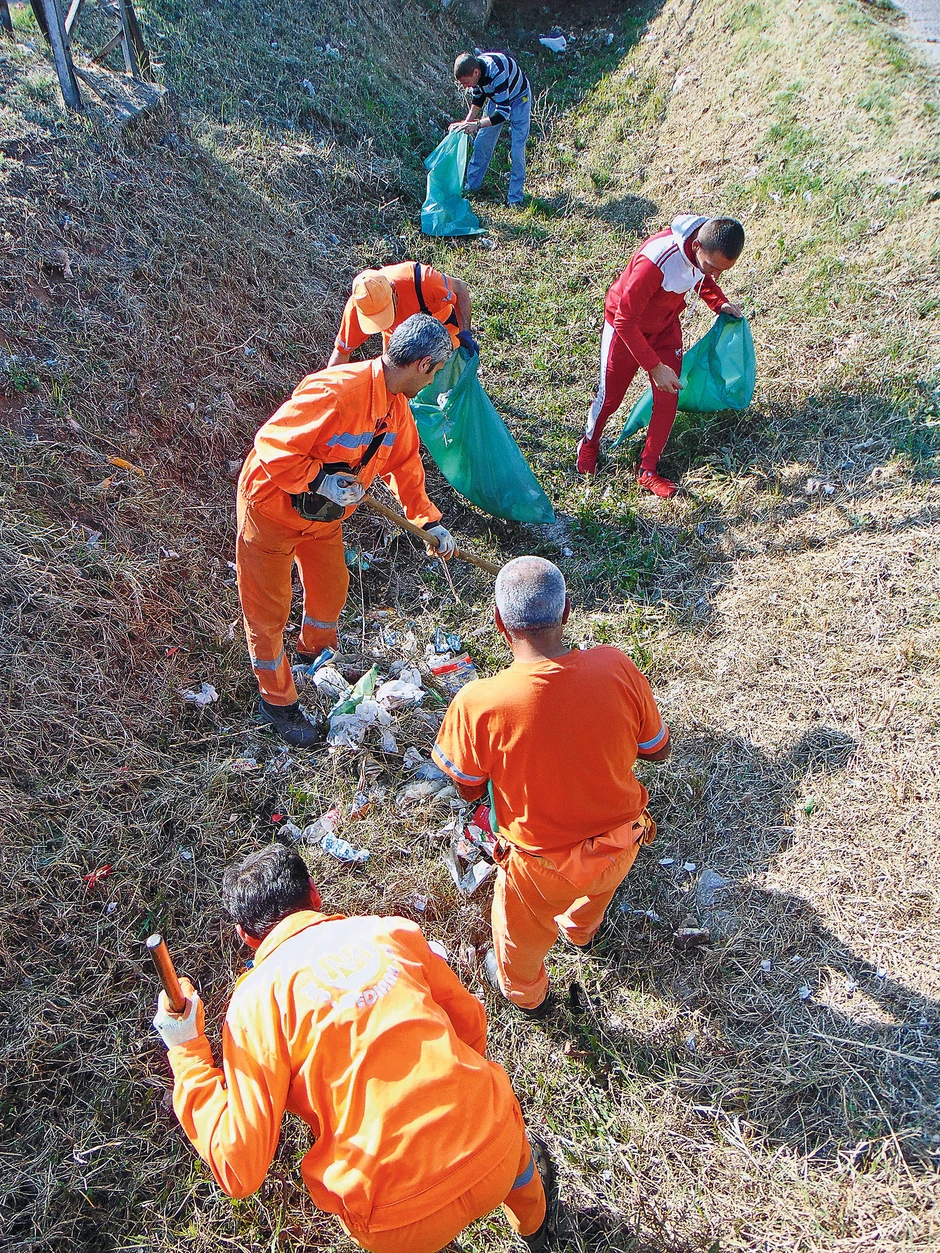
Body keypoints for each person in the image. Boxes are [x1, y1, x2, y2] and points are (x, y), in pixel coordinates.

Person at [152, 843, 559, 1253]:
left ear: (246, 937)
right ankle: (536, 1228)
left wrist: (186, 1049)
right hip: (495, 1151)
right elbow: (469, 1022)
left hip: (394, 1220)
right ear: (314, 892)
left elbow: (239, 1167)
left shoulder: (253, 1005)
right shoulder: (388, 932)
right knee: (515, 1152)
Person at [432, 557, 671, 1017]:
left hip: (538, 868)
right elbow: (657, 750)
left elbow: (467, 787)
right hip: (622, 842)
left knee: (518, 942)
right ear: (565, 614)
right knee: (594, 898)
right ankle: (582, 934)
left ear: (499, 622)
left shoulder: (478, 703)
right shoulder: (616, 667)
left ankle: (529, 999)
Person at [237, 314, 457, 748]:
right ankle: (277, 701)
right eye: (434, 373)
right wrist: (318, 480)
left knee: (330, 589)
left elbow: (405, 466)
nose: (431, 384)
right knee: (268, 613)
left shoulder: (395, 410)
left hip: (323, 519)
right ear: (422, 364)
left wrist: (428, 520)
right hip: (273, 513)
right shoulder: (337, 391)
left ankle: (313, 654)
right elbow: (272, 444)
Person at [576, 214, 745, 497]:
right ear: (696, 247)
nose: (715, 274)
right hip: (626, 330)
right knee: (611, 398)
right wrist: (655, 367)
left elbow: (701, 278)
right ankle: (589, 444)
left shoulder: (704, 254)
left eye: (722, 271)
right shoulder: (655, 262)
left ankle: (648, 470)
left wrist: (719, 303)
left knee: (668, 396)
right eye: (713, 267)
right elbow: (624, 320)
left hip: (665, 327)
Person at [327, 263, 478, 367]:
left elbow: (460, 288)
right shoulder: (359, 305)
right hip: (398, 341)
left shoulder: (422, 281)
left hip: (442, 330)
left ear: (393, 290)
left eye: (385, 312)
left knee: (442, 377)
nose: (385, 321)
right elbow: (341, 352)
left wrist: (465, 333)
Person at [450, 51, 532, 208]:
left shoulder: (496, 71)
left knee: (517, 149)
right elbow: (479, 98)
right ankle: (472, 186)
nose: (466, 87)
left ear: (476, 72)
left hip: (519, 99)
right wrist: (466, 123)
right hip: (498, 99)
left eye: (466, 83)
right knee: (482, 142)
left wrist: (477, 124)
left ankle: (515, 198)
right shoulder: (475, 73)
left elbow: (503, 113)